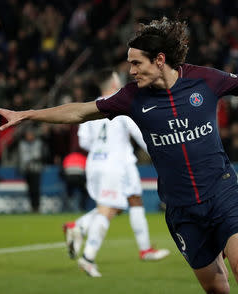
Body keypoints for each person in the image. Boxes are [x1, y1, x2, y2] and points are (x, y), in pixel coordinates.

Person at [0, 17, 238, 294]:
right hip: (181, 209)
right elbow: (80, 112)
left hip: (222, 192)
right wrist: (28, 114)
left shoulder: (205, 81)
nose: (131, 71)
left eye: (136, 63)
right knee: (217, 287)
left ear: (159, 60)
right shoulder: (131, 98)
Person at [63, 69, 170, 277]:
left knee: (129, 201)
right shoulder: (121, 102)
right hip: (115, 164)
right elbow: (139, 133)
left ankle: (143, 248)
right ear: (113, 83)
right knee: (109, 209)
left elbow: (84, 140)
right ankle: (88, 257)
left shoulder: (90, 106)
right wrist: (161, 152)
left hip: (97, 163)